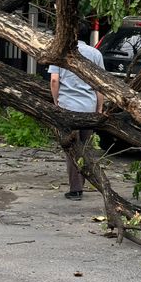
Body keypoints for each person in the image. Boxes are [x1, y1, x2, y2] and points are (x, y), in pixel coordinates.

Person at [48, 20, 105, 200]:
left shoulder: (60, 53)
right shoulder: (95, 54)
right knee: (86, 148)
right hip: (88, 107)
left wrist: (56, 101)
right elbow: (100, 84)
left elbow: (54, 80)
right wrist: (99, 108)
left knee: (71, 148)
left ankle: (76, 189)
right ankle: (84, 182)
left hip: (68, 107)